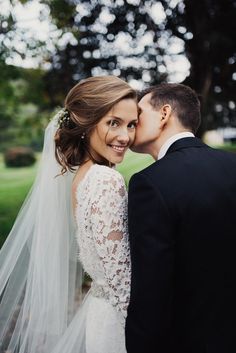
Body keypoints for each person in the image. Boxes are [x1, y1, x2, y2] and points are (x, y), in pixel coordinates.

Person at [0, 75, 138, 353]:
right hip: (121, 323)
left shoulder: (83, 177)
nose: (125, 136)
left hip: (100, 314)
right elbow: (122, 281)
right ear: (86, 126)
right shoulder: (105, 180)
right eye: (114, 123)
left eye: (132, 124)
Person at [125, 83, 236, 353]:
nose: (131, 123)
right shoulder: (232, 164)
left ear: (164, 114)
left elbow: (152, 289)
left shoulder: (150, 183)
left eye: (138, 115)